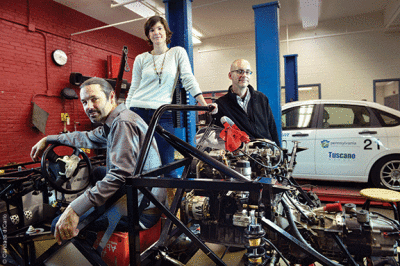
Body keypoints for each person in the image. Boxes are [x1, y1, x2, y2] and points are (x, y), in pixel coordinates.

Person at [30, 77, 165, 244]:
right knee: (97, 172)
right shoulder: (117, 120)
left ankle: (91, 249)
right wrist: (50, 138)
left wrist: (75, 209)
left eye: (94, 99)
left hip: (140, 211)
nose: (89, 107)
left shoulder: (122, 123)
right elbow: (85, 137)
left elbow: (119, 175)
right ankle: (100, 207)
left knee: (56, 226)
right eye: (84, 102)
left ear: (111, 97)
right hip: (143, 193)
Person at [125, 15, 217, 178]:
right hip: (137, 112)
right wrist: (125, 113)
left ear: (166, 32)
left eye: (159, 28)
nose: (156, 33)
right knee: (139, 163)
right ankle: (146, 202)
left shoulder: (177, 53)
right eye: (152, 30)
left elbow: (188, 79)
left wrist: (204, 104)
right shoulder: (141, 58)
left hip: (162, 114)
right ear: (148, 35)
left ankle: (174, 201)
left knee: (167, 163)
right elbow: (134, 87)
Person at [212, 59, 280, 145]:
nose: (244, 75)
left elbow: (272, 128)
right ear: (230, 75)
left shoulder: (261, 99)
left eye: (247, 72)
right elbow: (219, 136)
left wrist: (279, 151)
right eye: (240, 71)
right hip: (241, 155)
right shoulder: (221, 104)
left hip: (266, 152)